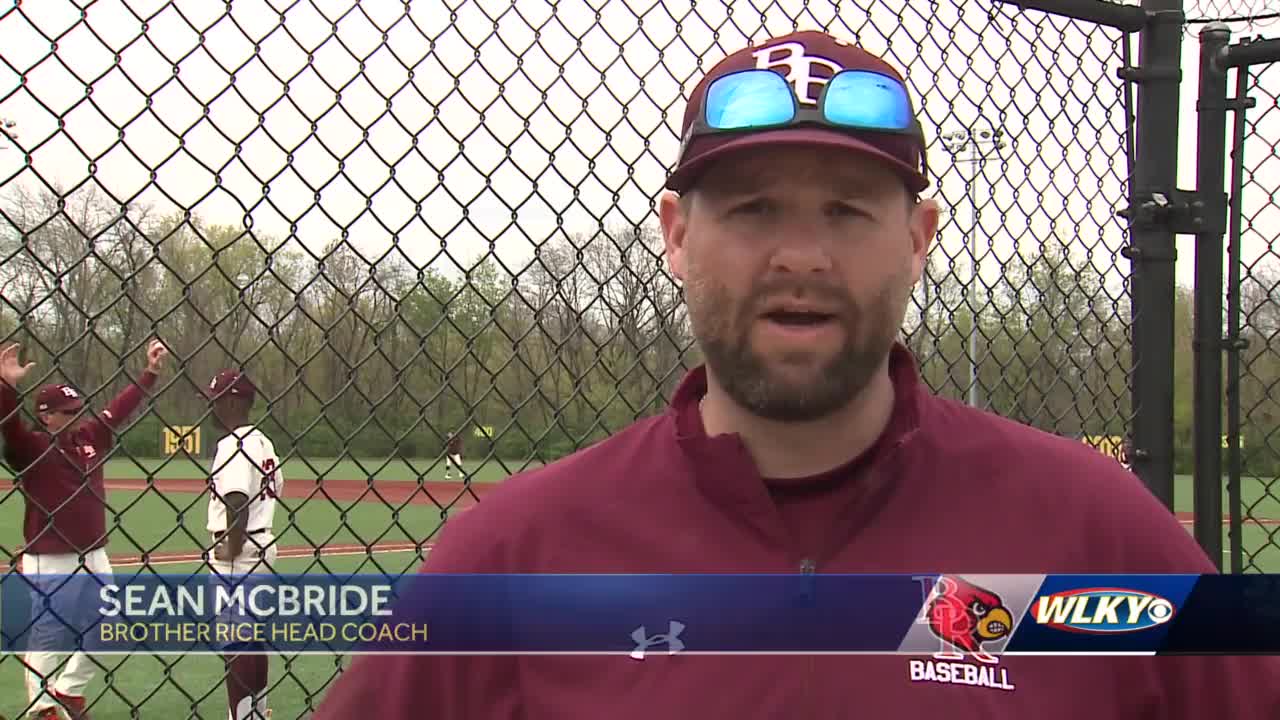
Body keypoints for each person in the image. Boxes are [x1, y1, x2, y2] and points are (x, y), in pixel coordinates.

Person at [311, 30, 1280, 719]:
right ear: (677, 236)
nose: (801, 257)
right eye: (754, 210)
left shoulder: (1095, 532)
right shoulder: (511, 561)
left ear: (917, 237)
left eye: (848, 211)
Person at [0, 339, 168, 720]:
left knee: (114, 625)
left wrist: (150, 374)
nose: (77, 415)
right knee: (49, 634)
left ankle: (68, 691)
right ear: (47, 416)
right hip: (49, 558)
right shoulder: (30, 448)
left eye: (77, 409)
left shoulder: (91, 437)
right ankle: (42, 709)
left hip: (94, 553)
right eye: (67, 411)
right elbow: (9, 428)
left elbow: (118, 411)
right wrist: (6, 387)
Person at [201, 369, 282, 720]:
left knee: (236, 644)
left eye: (215, 401)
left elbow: (236, 499)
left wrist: (231, 547)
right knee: (253, 640)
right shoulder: (264, 442)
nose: (212, 409)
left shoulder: (233, 444)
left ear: (232, 401)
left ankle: (242, 716)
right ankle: (257, 712)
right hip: (262, 547)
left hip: (239, 554)